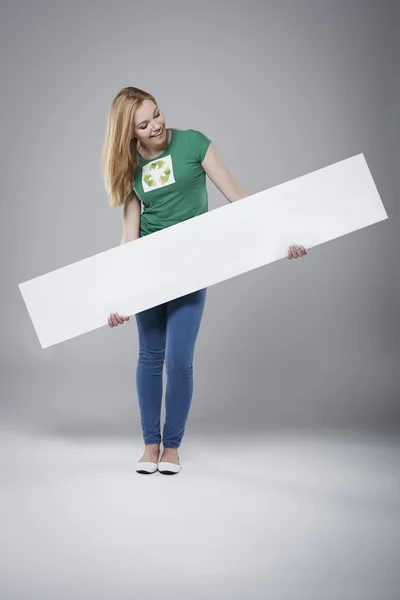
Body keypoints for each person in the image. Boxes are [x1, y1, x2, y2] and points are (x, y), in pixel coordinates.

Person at [101, 86, 307, 475]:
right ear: (130, 134)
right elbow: (128, 238)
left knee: (179, 360)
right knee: (149, 356)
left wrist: (284, 238)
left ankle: (172, 447)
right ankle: (150, 445)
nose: (156, 126)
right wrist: (119, 297)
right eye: (144, 125)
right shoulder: (131, 167)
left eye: (157, 114)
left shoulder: (194, 143)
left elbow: (239, 197)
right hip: (149, 268)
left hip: (193, 265)